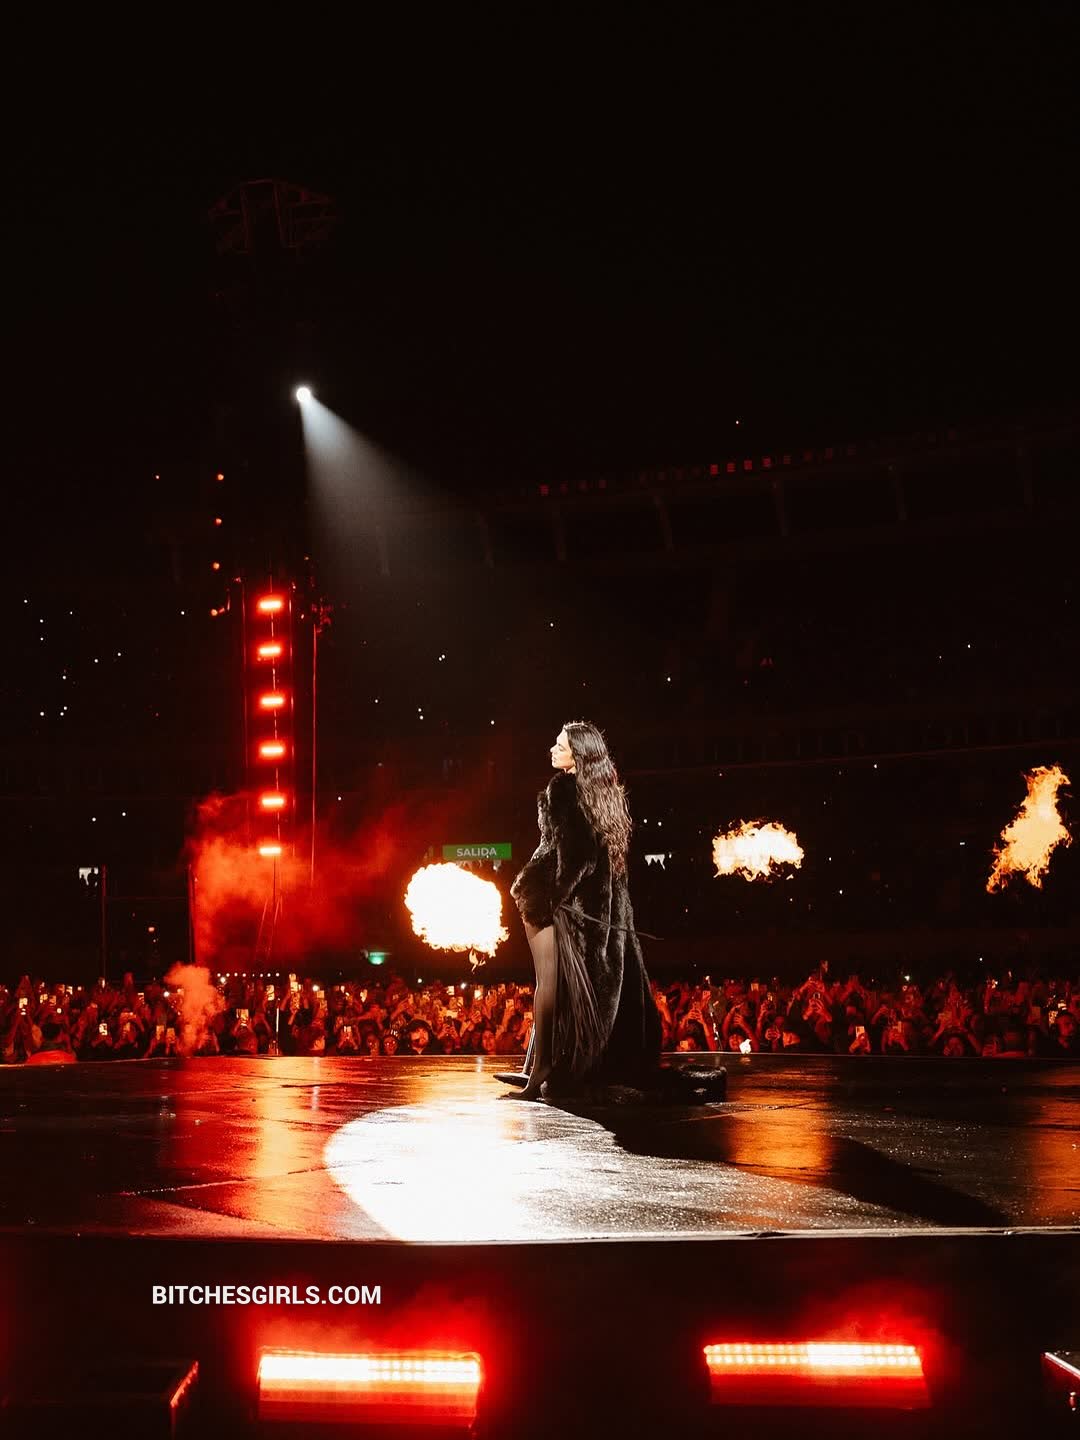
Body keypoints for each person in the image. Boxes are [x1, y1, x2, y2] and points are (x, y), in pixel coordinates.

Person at [501, 721, 725, 1103]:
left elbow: (576, 859)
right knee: (562, 988)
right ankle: (539, 1067)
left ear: (579, 756)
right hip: (592, 909)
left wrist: (546, 897)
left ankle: (539, 1074)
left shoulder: (563, 790)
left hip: (556, 904)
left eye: (560, 746)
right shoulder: (602, 795)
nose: (552, 749)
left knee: (548, 986)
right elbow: (592, 859)